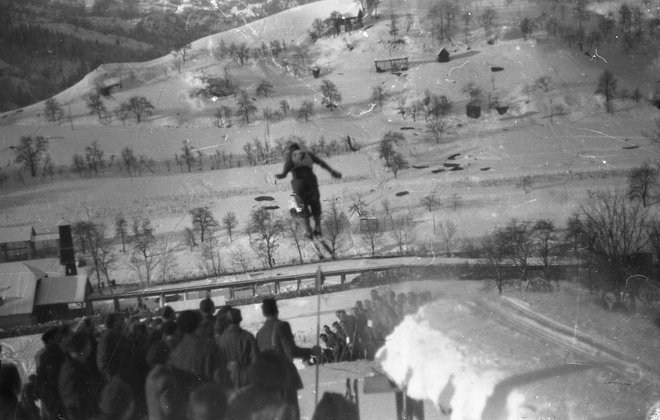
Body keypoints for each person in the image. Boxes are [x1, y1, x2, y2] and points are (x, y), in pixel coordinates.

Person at [255, 298, 316, 420]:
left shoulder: (260, 333)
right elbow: (291, 351)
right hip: (284, 377)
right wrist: (311, 351)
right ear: (277, 310)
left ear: (264, 313)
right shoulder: (281, 326)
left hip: (268, 380)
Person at [275, 143, 342, 239]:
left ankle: (308, 230)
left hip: (299, 181)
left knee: (302, 205)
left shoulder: (291, 155)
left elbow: (286, 169)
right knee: (315, 202)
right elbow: (321, 163)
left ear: (291, 149)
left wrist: (282, 175)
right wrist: (332, 171)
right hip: (311, 180)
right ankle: (318, 227)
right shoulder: (307, 153)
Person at [59, 332, 103, 420]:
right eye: (89, 344)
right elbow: (75, 403)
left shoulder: (75, 364)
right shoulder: (73, 371)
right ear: (85, 348)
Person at [216, 308, 257, 390]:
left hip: (229, 377)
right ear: (240, 320)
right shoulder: (248, 336)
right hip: (246, 376)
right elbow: (255, 359)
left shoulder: (221, 339)